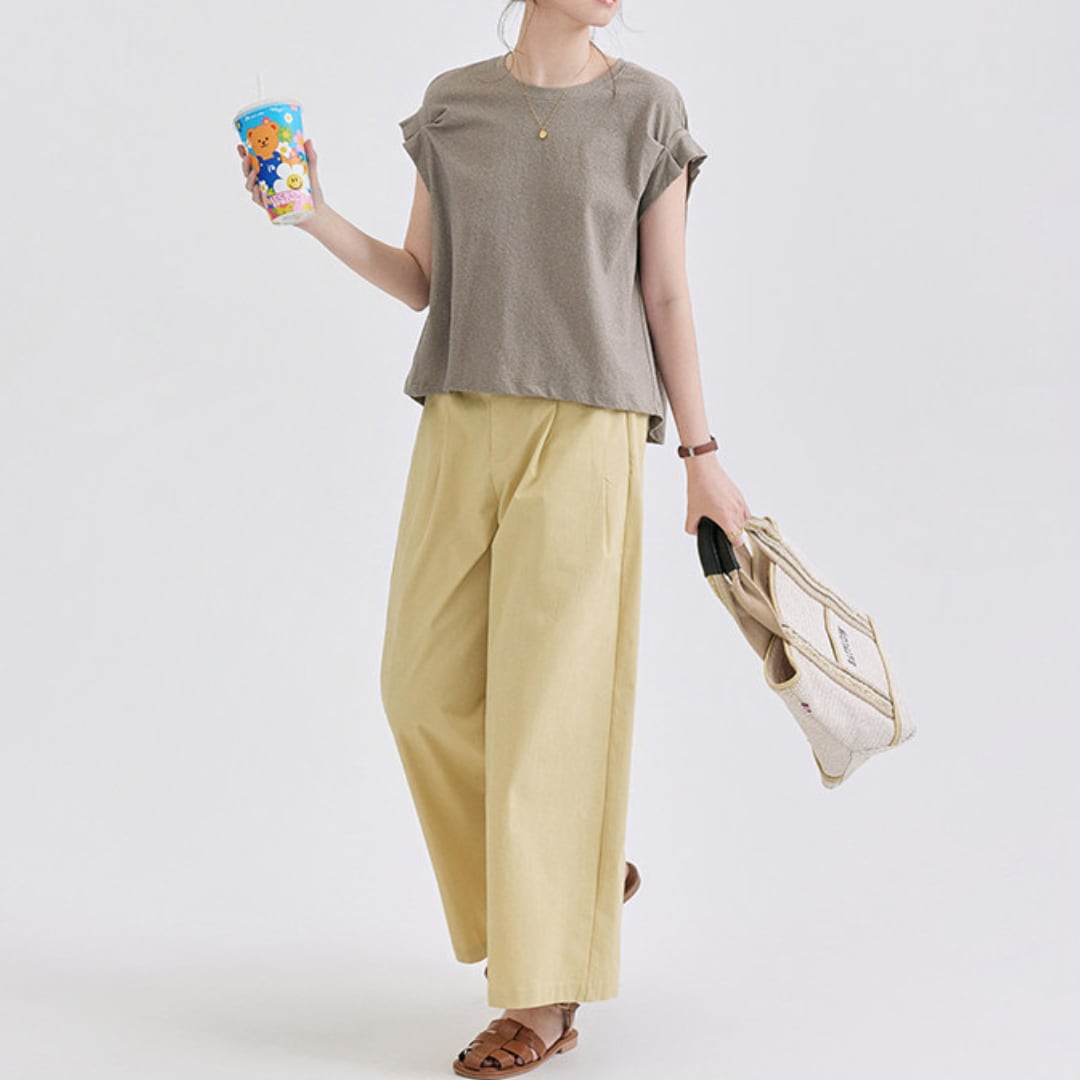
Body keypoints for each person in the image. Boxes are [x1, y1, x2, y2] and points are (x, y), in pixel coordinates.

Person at [237, 1, 751, 1074]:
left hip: (589, 427)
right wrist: (314, 215)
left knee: (550, 716)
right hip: (462, 414)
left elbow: (665, 291)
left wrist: (702, 456)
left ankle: (541, 1002)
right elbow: (423, 281)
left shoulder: (647, 110)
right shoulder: (454, 105)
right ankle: (572, 876)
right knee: (416, 689)